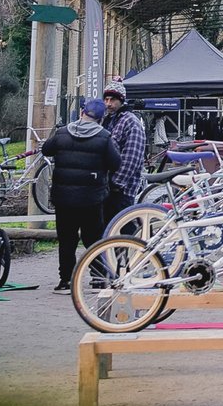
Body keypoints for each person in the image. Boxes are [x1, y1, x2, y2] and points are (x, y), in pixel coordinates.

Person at [42, 99, 119, 293]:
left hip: (64, 198)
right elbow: (115, 163)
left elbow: (46, 150)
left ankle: (65, 281)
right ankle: (98, 278)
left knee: (66, 240)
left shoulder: (62, 133)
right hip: (91, 198)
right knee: (93, 238)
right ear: (101, 118)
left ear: (82, 113)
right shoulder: (104, 137)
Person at [101, 82, 146, 220]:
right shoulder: (106, 119)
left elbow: (132, 157)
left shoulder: (131, 122)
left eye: (112, 100)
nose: (108, 104)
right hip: (106, 188)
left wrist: (116, 183)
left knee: (123, 227)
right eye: (106, 99)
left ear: (121, 100)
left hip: (123, 190)